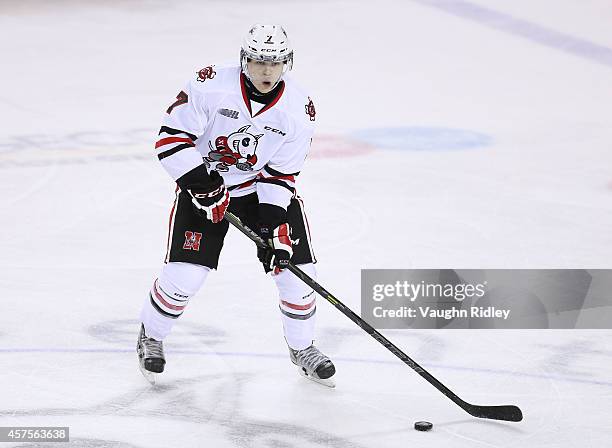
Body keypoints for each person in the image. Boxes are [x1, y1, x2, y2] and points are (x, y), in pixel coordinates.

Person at [136, 24, 335, 386]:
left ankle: (302, 348)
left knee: (296, 275)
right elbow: (172, 140)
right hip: (204, 183)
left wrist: (272, 225)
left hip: (261, 189)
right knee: (185, 277)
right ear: (244, 59)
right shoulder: (210, 84)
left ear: (287, 63)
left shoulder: (298, 109)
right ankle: (151, 336)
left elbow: (282, 174)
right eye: (258, 61)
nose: (266, 71)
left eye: (274, 63)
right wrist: (202, 186)